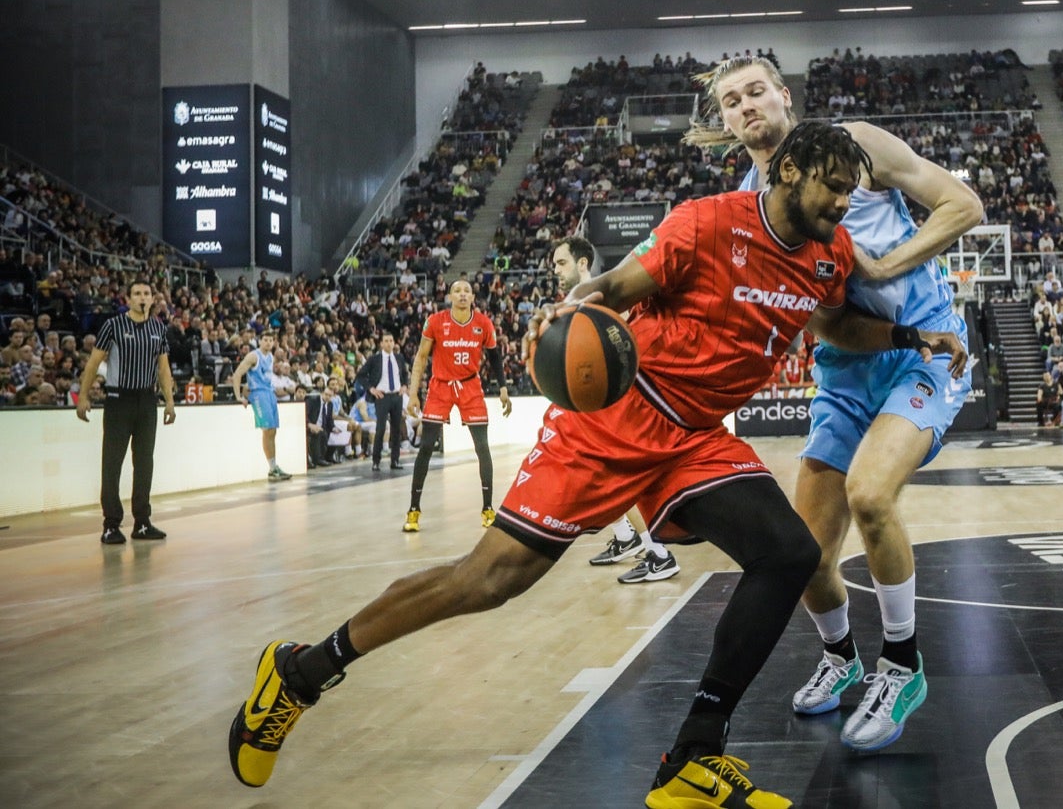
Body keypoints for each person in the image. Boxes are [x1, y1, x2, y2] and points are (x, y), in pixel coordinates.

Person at [226, 122, 967, 807]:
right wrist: (577, 301)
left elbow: (831, 321)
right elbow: (616, 285)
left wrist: (908, 335)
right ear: (791, 171)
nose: (846, 201)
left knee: (789, 552)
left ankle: (692, 760)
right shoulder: (707, 222)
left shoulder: (832, 252)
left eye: (853, 189)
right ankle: (300, 672)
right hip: (614, 420)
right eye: (833, 186)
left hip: (694, 436)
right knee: (488, 581)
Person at [690, 54, 983, 751]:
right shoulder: (748, 204)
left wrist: (884, 265)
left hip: (925, 353)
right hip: (846, 367)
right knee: (803, 557)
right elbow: (820, 318)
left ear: (784, 97)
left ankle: (902, 665)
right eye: (732, 101)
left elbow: (964, 205)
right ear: (726, 121)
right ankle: (839, 657)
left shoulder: (857, 143)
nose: (746, 105)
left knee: (872, 496)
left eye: (756, 90)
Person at [550, 236, 680, 582]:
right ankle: (627, 537)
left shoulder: (610, 294)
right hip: (601, 405)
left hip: (628, 405)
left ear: (582, 264)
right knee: (594, 476)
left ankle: (660, 553)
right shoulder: (580, 300)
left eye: (561, 263)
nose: (556, 271)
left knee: (616, 481)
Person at [401, 279, 511, 531]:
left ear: (473, 297)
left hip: (470, 386)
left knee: (482, 447)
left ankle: (487, 509)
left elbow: (495, 357)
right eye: (457, 291)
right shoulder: (436, 321)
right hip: (440, 386)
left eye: (467, 291)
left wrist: (503, 388)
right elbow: (420, 357)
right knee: (426, 446)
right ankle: (413, 510)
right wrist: (413, 393)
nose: (462, 295)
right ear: (450, 296)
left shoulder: (483, 323)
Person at [75, 280, 177, 543]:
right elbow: (94, 362)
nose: (142, 297)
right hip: (118, 399)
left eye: (146, 293)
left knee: (144, 462)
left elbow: (163, 368)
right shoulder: (113, 325)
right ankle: (110, 524)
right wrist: (83, 396)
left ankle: (142, 522)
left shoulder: (158, 328)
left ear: (153, 299)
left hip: (146, 400)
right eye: (137, 293)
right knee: (112, 462)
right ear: (128, 298)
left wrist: (169, 401)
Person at [229, 332, 290, 482]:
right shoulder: (253, 356)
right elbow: (237, 374)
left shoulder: (270, 357)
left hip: (269, 393)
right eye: (265, 340)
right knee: (267, 430)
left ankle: (274, 467)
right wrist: (239, 396)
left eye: (271, 340)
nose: (268, 343)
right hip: (258, 394)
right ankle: (272, 468)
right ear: (260, 341)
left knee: (273, 431)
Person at [356, 332, 409, 472]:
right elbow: (360, 375)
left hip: (397, 396)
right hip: (382, 396)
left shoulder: (399, 357)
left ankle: (395, 460)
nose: (389, 343)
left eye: (391, 340)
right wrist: (371, 389)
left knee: (396, 430)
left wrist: (405, 385)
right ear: (381, 343)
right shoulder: (375, 359)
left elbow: (404, 374)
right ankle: (376, 461)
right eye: (386, 341)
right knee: (380, 429)